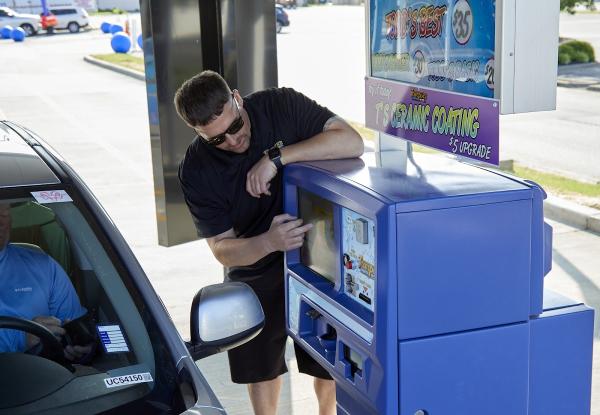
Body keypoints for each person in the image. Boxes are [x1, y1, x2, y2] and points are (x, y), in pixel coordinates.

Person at [174, 70, 364, 415]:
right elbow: (221, 248)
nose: (232, 141)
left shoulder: (281, 105)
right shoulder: (196, 169)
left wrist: (276, 159)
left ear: (237, 98)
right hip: (254, 266)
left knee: (327, 358)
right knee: (259, 365)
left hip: (317, 257)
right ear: (198, 133)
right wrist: (268, 242)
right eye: (217, 140)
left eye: (234, 127)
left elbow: (351, 142)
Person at [0, 203, 90, 361]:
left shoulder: (44, 266)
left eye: (4, 211)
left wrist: (77, 347)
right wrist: (20, 339)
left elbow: (74, 327)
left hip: (46, 378)